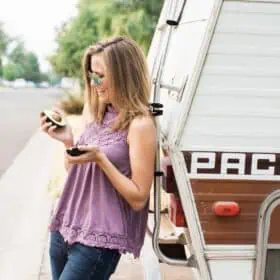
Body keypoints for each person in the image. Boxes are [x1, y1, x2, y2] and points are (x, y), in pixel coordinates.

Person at [40, 35, 156, 280]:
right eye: (92, 74)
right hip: (63, 229)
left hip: (97, 243)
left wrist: (102, 159)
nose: (94, 83)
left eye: (100, 76)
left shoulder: (140, 125)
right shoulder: (95, 111)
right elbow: (75, 174)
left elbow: (138, 198)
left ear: (124, 75)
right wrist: (69, 142)